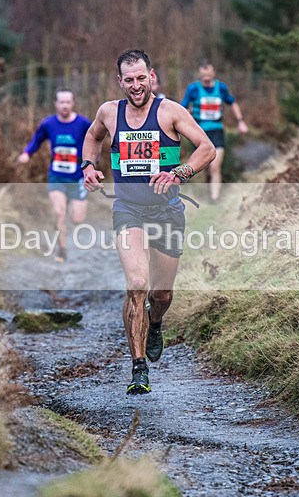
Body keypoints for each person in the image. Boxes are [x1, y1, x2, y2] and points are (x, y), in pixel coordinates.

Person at [81, 49, 216, 395]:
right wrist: (88, 166)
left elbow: (206, 147)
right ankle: (138, 368)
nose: (136, 85)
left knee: (161, 293)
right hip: (128, 211)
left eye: (142, 78)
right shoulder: (109, 113)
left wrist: (179, 173)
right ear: (120, 81)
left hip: (168, 212)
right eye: (129, 80)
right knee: (137, 284)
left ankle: (155, 322)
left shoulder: (170, 112)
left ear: (151, 76)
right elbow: (93, 136)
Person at [18, 89, 92, 262]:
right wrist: (26, 153)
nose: (65, 105)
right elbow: (36, 140)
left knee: (77, 220)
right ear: (55, 104)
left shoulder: (83, 123)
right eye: (61, 102)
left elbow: (94, 141)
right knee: (59, 213)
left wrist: (91, 163)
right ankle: (62, 250)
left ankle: (67, 212)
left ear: (73, 103)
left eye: (68, 102)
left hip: (78, 177)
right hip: (56, 176)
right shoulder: (48, 123)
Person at [180, 59, 248, 202]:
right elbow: (182, 108)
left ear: (213, 73)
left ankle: (214, 198)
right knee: (205, 165)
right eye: (203, 75)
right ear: (199, 74)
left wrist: (241, 121)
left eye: (209, 74)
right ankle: (207, 187)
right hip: (199, 134)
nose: (206, 77)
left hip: (217, 131)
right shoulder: (193, 89)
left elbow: (232, 102)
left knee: (215, 166)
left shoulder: (221, 88)